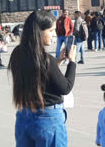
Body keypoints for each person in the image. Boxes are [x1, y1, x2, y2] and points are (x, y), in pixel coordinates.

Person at [8, 10, 77, 147]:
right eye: (51, 30)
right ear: (38, 31)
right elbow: (65, 87)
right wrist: (72, 63)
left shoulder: (17, 53)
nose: (54, 35)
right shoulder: (46, 60)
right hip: (48, 119)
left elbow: (35, 76)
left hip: (24, 116)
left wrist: (57, 62)